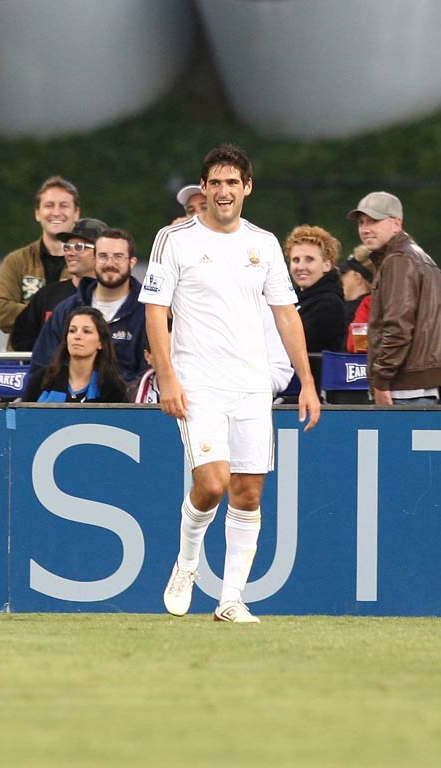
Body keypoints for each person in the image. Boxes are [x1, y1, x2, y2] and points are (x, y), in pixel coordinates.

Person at [140, 144, 320, 624]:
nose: (223, 191)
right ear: (204, 189)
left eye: (232, 183)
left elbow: (286, 314)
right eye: (215, 183)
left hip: (251, 386)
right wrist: (168, 377)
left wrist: (307, 381)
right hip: (197, 382)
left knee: (248, 492)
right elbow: (155, 313)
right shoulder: (173, 240)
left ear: (247, 188)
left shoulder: (262, 244)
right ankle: (187, 561)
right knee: (213, 482)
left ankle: (231, 600)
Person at [348, 191, 441, 405]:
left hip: (403, 388)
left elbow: (398, 327)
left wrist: (381, 381)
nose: (365, 229)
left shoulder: (398, 261)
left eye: (374, 221)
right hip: (426, 386)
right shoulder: (422, 258)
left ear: (396, 224)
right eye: (361, 222)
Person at [31, 228, 149, 384]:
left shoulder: (147, 313)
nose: (110, 263)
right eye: (103, 256)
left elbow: (150, 373)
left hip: (127, 405)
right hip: (69, 405)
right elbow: (41, 367)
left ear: (132, 262)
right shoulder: (66, 310)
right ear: (94, 260)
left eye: (118, 257)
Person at [0, 176, 80, 346]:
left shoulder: (86, 262)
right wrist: (54, 314)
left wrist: (31, 315)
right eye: (49, 205)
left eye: (64, 206)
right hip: (22, 362)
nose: (56, 212)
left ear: (76, 213)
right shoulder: (16, 261)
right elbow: (2, 314)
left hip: (73, 361)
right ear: (37, 213)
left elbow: (94, 312)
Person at [10, 218, 108, 351]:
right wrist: (54, 356)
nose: (70, 253)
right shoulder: (47, 295)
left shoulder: (115, 296)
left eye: (79, 247)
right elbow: (20, 339)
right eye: (67, 247)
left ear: (101, 253)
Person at [21, 306, 128, 403]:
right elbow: (24, 417)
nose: (77, 336)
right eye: (72, 331)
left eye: (86, 331)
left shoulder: (113, 387)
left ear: (100, 343)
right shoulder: (42, 379)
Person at [284, 224, 347, 352]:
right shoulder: (289, 299)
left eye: (309, 260)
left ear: (326, 265)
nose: (301, 266)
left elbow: (292, 343)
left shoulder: (330, 303)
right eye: (296, 260)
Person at [341, 245, 374, 353]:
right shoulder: (381, 305)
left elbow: (359, 347)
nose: (341, 279)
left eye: (344, 273)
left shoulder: (365, 308)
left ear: (357, 277)